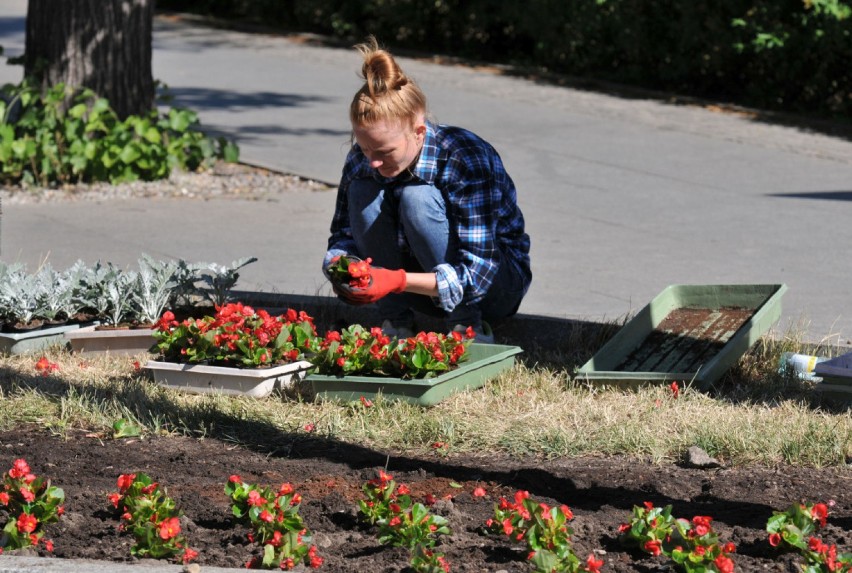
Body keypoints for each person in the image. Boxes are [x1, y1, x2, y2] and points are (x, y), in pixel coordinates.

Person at [323, 36, 531, 341]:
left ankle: (468, 328)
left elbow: (479, 275)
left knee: (416, 197)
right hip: (415, 284)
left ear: (419, 132)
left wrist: (393, 280)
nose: (373, 162)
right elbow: (343, 237)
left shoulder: (464, 157)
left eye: (385, 151)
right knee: (362, 191)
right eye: (364, 148)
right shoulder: (363, 159)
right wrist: (343, 269)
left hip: (493, 286)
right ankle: (396, 324)